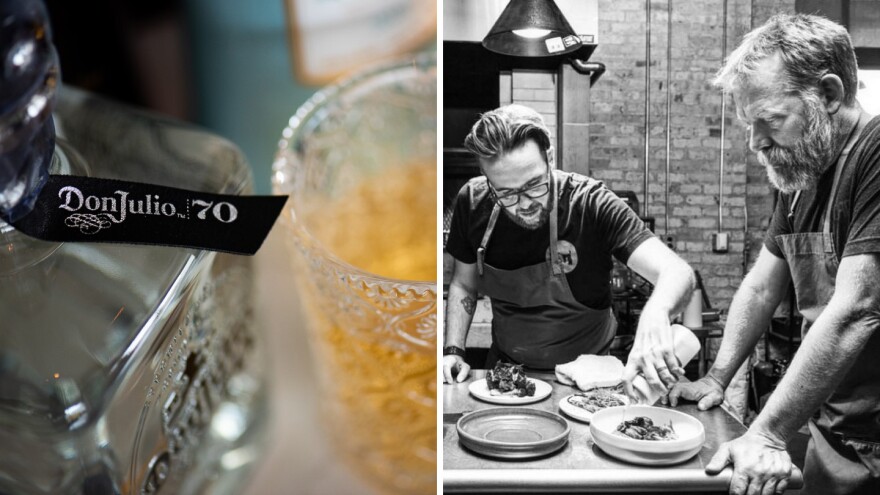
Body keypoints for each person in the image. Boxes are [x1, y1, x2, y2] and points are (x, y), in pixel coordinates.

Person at [657, 13, 880, 495]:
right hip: (835, 427)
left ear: (830, 93)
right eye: (747, 124)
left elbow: (857, 310)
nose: (755, 142)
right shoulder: (803, 175)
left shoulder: (875, 155)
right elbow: (762, 286)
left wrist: (767, 433)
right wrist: (716, 378)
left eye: (769, 121)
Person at [442, 104, 696, 393]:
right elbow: (463, 283)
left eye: (534, 185)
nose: (524, 203)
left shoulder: (591, 203)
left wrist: (657, 312)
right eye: (506, 192)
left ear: (550, 157)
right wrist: (454, 350)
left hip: (589, 380)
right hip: (507, 374)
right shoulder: (472, 202)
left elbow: (677, 271)